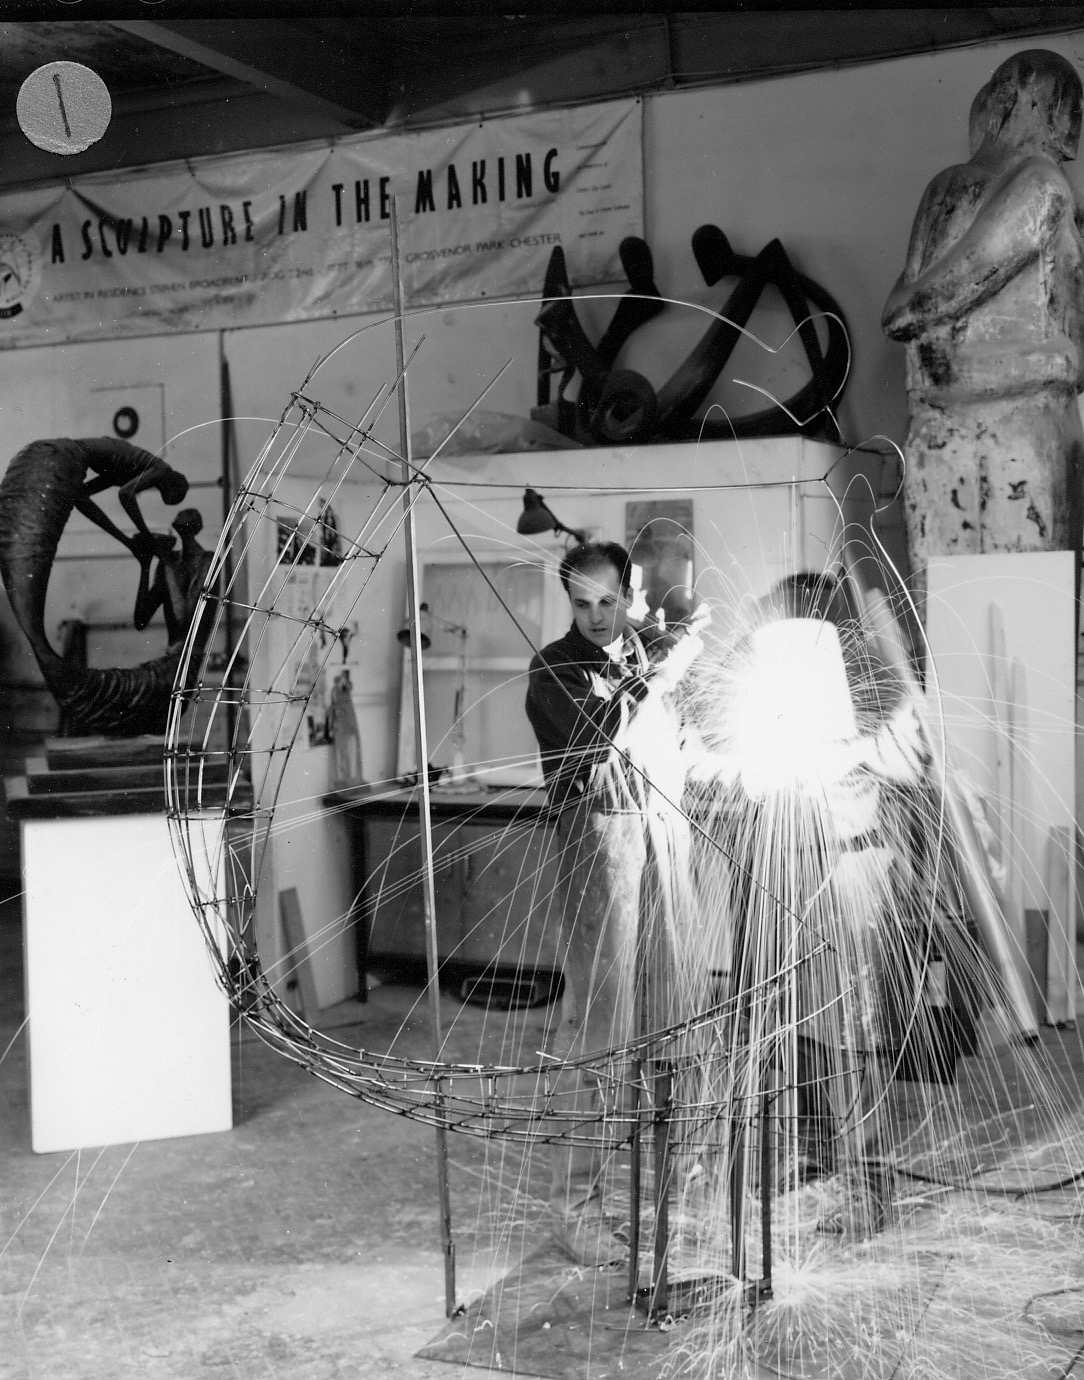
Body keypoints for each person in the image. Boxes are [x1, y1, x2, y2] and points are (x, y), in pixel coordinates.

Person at [525, 540, 705, 1266]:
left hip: (668, 844)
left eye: (608, 601)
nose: (597, 617)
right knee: (603, 1040)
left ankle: (676, 1194)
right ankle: (576, 1209)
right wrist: (660, 677)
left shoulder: (647, 647)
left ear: (629, 593)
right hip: (599, 854)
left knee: (681, 1021)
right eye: (581, 604)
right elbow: (599, 753)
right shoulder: (554, 670)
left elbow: (686, 742)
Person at [882, 50, 1084, 616]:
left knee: (961, 633)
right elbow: (924, 300)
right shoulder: (1043, 186)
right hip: (1021, 423)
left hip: (941, 422)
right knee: (1022, 637)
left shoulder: (946, 187)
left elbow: (906, 305)